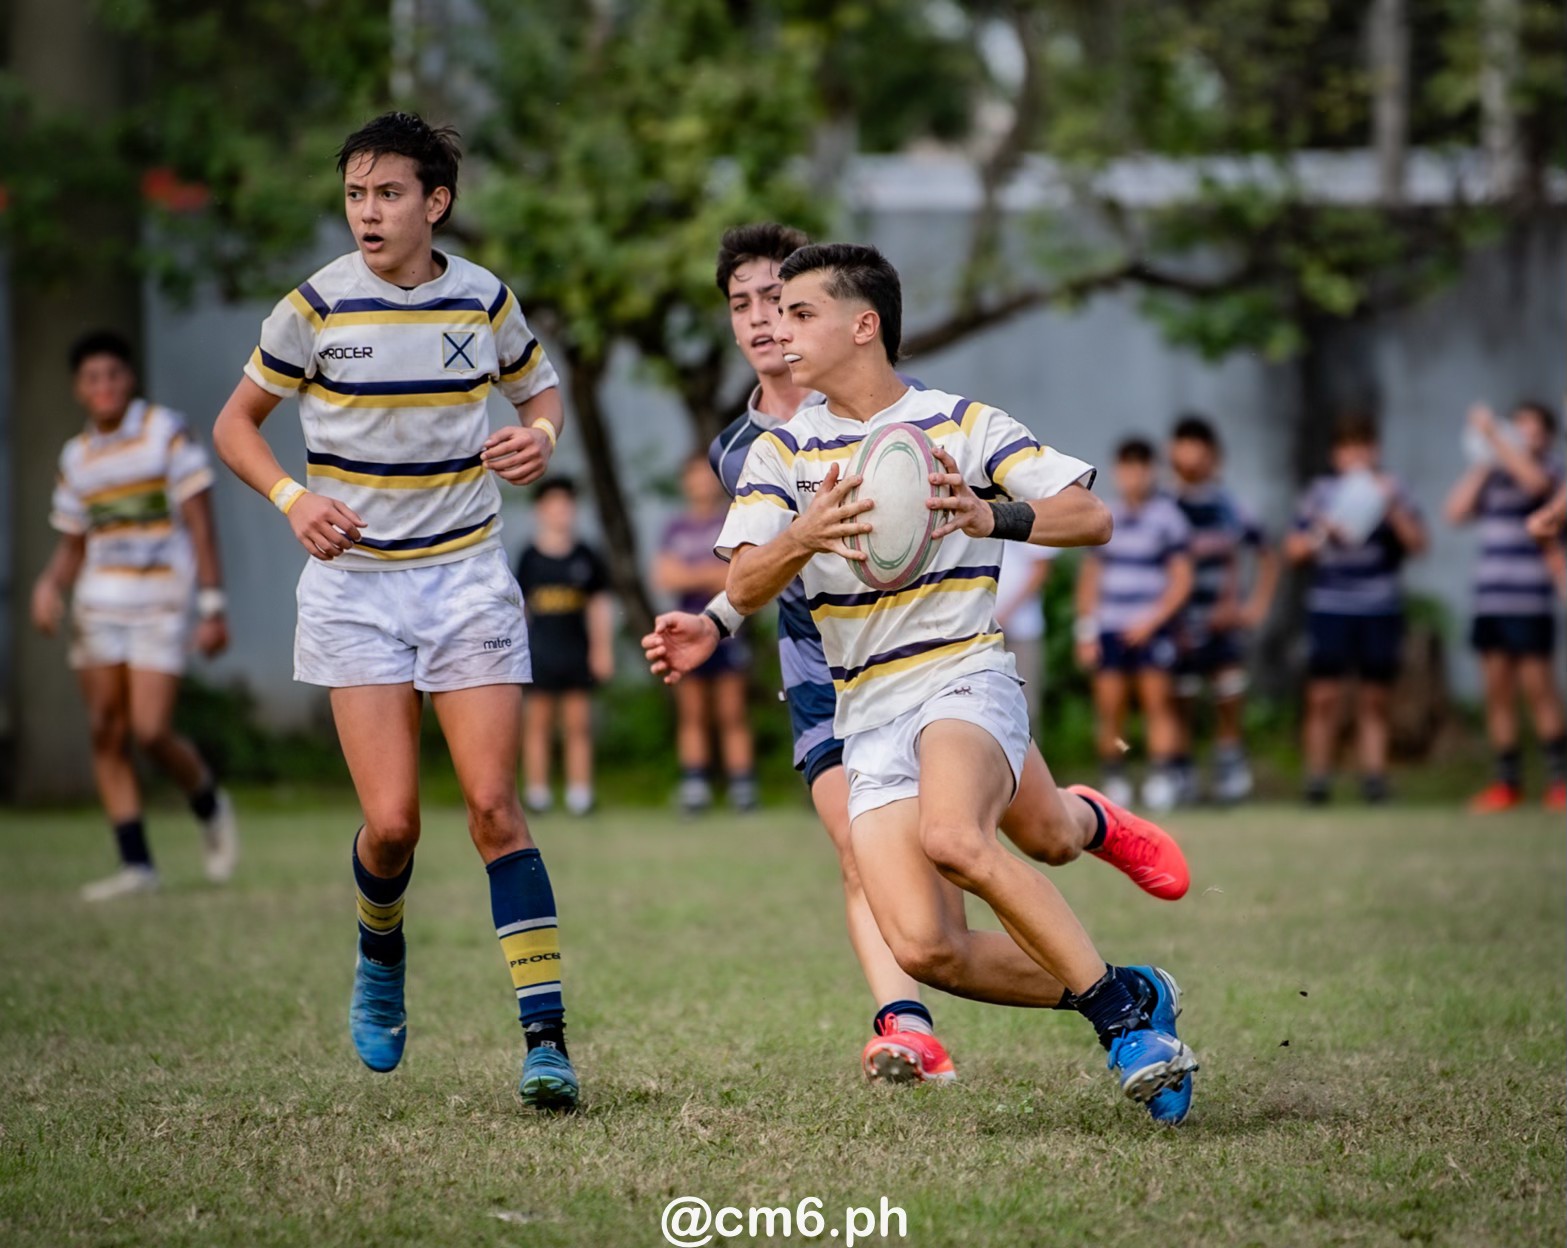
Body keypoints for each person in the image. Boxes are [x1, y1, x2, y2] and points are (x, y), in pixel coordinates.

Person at [643, 226, 1191, 1097]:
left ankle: (1129, 1036)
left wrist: (987, 515)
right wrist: (799, 537)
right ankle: (1135, 990)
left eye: (797, 313)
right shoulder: (776, 453)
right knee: (925, 947)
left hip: (960, 675)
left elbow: (1087, 517)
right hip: (863, 712)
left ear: (864, 326)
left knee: (953, 838)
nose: (775, 331)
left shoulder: (959, 424)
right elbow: (743, 575)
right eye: (764, 313)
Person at [212, 112, 578, 1109]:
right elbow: (234, 426)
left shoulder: (483, 299)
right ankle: (381, 951)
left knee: (496, 810)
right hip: (355, 588)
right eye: (355, 196)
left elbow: (541, 397)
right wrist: (294, 499)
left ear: (435, 203)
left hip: (465, 575)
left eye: (387, 194)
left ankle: (545, 1042)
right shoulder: (316, 306)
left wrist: (537, 439)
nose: (367, 213)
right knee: (393, 825)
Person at [30, 330, 240, 901]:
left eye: (113, 375)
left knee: (150, 731)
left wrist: (213, 606)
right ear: (79, 389)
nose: (104, 387)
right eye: (92, 379)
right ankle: (137, 865)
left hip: (162, 602)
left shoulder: (165, 433)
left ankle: (208, 802)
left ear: (129, 379)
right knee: (106, 731)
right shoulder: (77, 457)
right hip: (98, 607)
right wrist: (50, 585)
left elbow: (200, 522)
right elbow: (74, 542)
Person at [1285, 413, 1427, 805]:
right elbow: (1292, 551)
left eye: (1363, 446)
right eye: (1347, 447)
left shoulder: (1393, 488)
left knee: (1375, 698)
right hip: (1330, 606)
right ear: (1336, 454)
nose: (1356, 456)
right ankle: (1317, 781)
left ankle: (1375, 781)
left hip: (1379, 606)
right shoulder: (1321, 492)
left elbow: (1419, 544)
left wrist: (1389, 505)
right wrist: (1323, 532)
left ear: (1375, 450)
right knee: (1323, 696)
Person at [1444, 402, 1566, 812]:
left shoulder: (1552, 470)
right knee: (1497, 691)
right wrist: (1483, 460)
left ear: (1547, 436)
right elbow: (1454, 512)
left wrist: (1494, 435)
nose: (1522, 434)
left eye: (1532, 428)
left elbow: (1534, 486)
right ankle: (1506, 783)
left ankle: (1559, 782)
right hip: (1490, 599)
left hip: (1531, 600)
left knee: (1539, 690)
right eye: (1518, 427)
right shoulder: (1494, 476)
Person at [1073, 438, 1193, 812]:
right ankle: (1117, 775)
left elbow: (1181, 580)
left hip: (1151, 629)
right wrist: (1086, 631)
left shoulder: (1168, 519)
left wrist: (1151, 621)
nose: (1133, 476)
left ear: (1151, 470)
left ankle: (1160, 776)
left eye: (1141, 467)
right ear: (1117, 471)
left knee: (1158, 704)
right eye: (1126, 467)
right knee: (1112, 708)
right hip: (1111, 627)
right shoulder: (1105, 514)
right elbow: (1091, 578)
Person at [1167, 414, 1279, 804]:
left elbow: (1265, 554)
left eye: (1198, 445)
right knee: (1178, 695)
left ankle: (1230, 766)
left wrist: (1255, 606)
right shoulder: (1166, 506)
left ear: (1214, 456)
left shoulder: (1229, 506)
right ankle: (1179, 772)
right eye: (1182, 444)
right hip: (1177, 623)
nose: (1189, 454)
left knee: (1228, 690)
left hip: (1222, 619)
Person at [653, 452, 757, 813]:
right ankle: (695, 785)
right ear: (685, 482)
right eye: (692, 476)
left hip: (728, 631)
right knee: (692, 711)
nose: (699, 483)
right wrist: (707, 571)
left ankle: (743, 786)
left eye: (705, 476)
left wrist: (692, 571)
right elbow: (666, 576)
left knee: (731, 712)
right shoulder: (675, 528)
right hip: (684, 632)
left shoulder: (730, 524)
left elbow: (735, 577)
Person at [515, 478, 615, 817]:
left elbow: (599, 607)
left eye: (566, 504)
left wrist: (602, 651)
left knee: (577, 725)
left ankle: (580, 794)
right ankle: (538, 793)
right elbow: (520, 609)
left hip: (576, 653)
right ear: (539, 510)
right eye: (553, 504)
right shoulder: (529, 558)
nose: (561, 511)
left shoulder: (586, 555)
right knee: (537, 725)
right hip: (539, 654)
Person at [994, 539, 1056, 711]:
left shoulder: (1029, 513)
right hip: (979, 629)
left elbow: (1042, 569)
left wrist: (1004, 614)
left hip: (1021, 630)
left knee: (1024, 706)